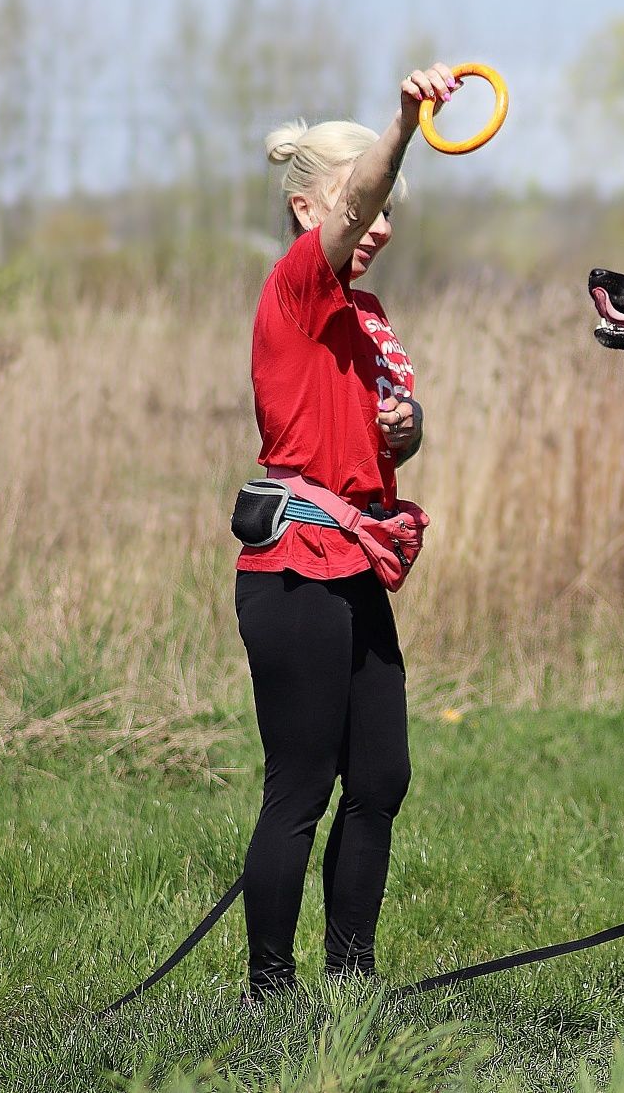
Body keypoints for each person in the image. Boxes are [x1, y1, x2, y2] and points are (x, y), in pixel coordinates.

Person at [233, 63, 456, 1003]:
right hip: (293, 567)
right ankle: (271, 995)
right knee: (302, 787)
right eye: (365, 210)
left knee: (382, 778)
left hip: (354, 559)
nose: (380, 228)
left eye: (391, 215)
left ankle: (352, 979)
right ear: (305, 211)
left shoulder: (368, 317)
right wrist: (404, 125)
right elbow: (360, 196)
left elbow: (379, 433)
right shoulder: (296, 287)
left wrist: (408, 429)